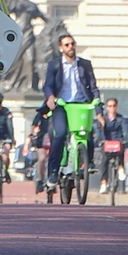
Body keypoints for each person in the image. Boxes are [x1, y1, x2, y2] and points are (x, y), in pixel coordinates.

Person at [40, 33, 99, 188]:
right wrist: (51, 97)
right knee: (59, 134)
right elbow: (47, 85)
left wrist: (97, 103)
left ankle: (89, 161)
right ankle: (53, 171)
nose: (70, 47)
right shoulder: (55, 65)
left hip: (81, 104)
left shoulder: (85, 65)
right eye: (66, 45)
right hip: (62, 105)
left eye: (72, 44)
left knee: (87, 132)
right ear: (61, 48)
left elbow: (93, 86)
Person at [96, 97, 128, 193]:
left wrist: (126, 138)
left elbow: (125, 129)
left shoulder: (120, 118)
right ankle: (103, 182)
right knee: (104, 161)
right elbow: (100, 131)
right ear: (107, 107)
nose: (112, 108)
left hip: (117, 141)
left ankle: (121, 167)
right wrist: (102, 139)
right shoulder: (104, 119)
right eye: (110, 106)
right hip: (107, 142)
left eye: (114, 106)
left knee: (121, 150)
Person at [0, 97, 14, 176]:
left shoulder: (6, 112)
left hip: (5, 136)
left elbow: (10, 126)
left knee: (6, 153)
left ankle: (6, 170)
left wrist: (12, 138)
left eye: (0, 102)